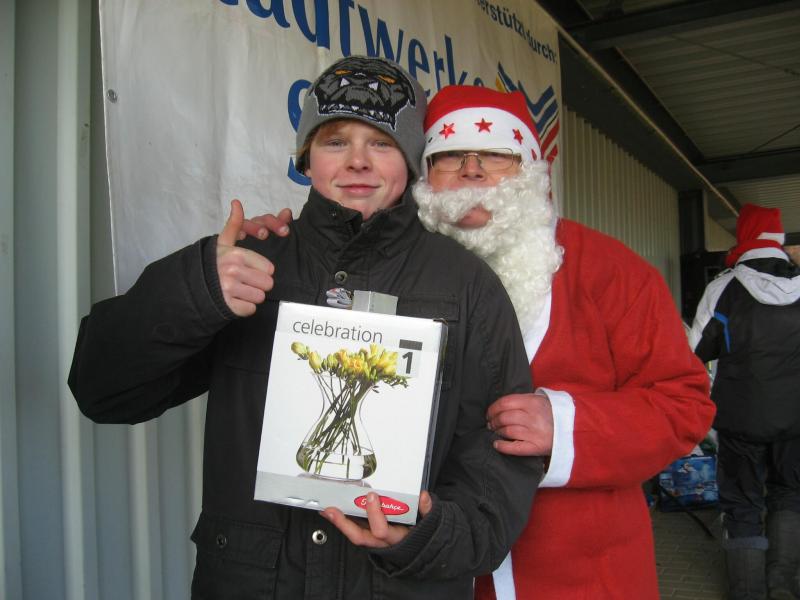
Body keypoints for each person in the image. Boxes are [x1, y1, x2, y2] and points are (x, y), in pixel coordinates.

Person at [68, 58, 543, 599]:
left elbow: (499, 457)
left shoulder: (467, 284)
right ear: (306, 157)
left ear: (411, 160)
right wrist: (196, 289)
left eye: (382, 143)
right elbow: (102, 391)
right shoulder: (248, 264)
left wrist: (430, 535)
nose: (358, 161)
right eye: (335, 141)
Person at [249, 84, 716, 598]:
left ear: (531, 169)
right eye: (449, 156)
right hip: (414, 573)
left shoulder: (612, 272)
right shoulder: (380, 266)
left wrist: (566, 426)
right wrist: (271, 242)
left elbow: (685, 404)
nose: (472, 171)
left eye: (496, 154)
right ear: (422, 174)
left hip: (577, 578)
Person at [690, 203, 800, 600]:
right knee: (790, 493)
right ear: (778, 241)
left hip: (739, 420)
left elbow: (693, 354)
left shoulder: (723, 288)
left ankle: (748, 593)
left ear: (744, 238)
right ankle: (783, 586)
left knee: (742, 504)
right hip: (796, 418)